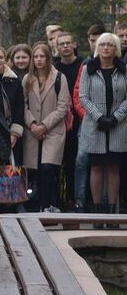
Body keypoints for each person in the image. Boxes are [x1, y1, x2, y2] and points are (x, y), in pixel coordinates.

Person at [78, 32, 127, 214]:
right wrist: (99, 117)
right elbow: (83, 96)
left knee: (114, 168)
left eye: (110, 45)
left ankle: (112, 210)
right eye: (102, 44)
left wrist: (115, 118)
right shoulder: (87, 69)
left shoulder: (124, 69)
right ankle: (98, 211)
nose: (106, 48)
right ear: (97, 47)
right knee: (96, 167)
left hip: (118, 127)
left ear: (116, 49)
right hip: (95, 126)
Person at [22, 41, 70, 213]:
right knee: (33, 171)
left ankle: (50, 205)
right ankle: (35, 206)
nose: (39, 60)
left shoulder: (59, 77)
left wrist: (44, 126)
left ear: (48, 58)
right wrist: (33, 124)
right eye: (36, 56)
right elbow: (23, 106)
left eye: (42, 56)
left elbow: (63, 106)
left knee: (48, 169)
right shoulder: (27, 79)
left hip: (53, 131)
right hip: (32, 131)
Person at [54, 31, 86, 210]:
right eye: (61, 44)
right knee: (60, 162)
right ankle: (59, 200)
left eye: (68, 43)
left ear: (74, 44)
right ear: (56, 47)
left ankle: (77, 199)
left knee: (77, 162)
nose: (65, 46)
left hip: (79, 121)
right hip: (58, 121)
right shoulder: (54, 68)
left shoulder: (84, 65)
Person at [0, 44, 26, 162]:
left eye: (0, 57)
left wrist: (14, 133)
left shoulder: (14, 80)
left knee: (12, 172)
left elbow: (20, 108)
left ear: (5, 59)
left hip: (11, 131)